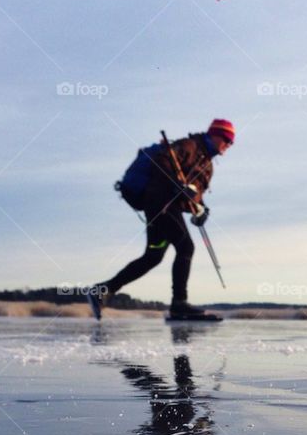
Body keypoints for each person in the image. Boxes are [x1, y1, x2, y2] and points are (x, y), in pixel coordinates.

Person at [86, 119, 235, 320]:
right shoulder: (189, 146)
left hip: (164, 208)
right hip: (160, 204)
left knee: (153, 256)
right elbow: (162, 162)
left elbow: (195, 193)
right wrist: (178, 185)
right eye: (227, 139)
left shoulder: (207, 164)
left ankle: (103, 289)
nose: (229, 145)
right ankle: (179, 304)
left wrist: (200, 208)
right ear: (215, 134)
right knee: (185, 246)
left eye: (231, 142)